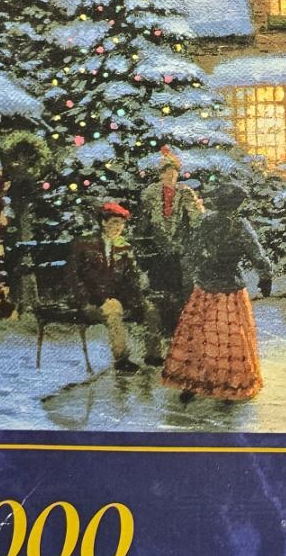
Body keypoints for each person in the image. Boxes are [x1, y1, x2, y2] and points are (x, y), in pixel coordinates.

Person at [161, 182, 272, 403]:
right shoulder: (240, 225)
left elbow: (192, 252)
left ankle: (193, 380)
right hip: (230, 289)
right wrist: (265, 277)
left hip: (205, 287)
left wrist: (192, 275)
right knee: (229, 337)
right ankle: (229, 383)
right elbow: (257, 255)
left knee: (198, 334)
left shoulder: (206, 221)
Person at [66, 200, 162, 370]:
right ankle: (121, 358)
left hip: (119, 298)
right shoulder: (84, 244)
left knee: (150, 309)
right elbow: (73, 277)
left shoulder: (124, 247)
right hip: (92, 300)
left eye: (122, 224)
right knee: (113, 308)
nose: (118, 227)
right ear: (104, 222)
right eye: (115, 222)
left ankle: (153, 355)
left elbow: (131, 278)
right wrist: (85, 301)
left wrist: (138, 299)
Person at [136, 146, 203, 335]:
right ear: (160, 174)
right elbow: (144, 221)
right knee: (161, 287)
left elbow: (196, 219)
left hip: (181, 248)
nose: (170, 175)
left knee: (182, 286)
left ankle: (183, 326)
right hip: (158, 249)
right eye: (166, 172)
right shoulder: (151, 193)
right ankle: (165, 327)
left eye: (173, 172)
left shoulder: (185, 192)